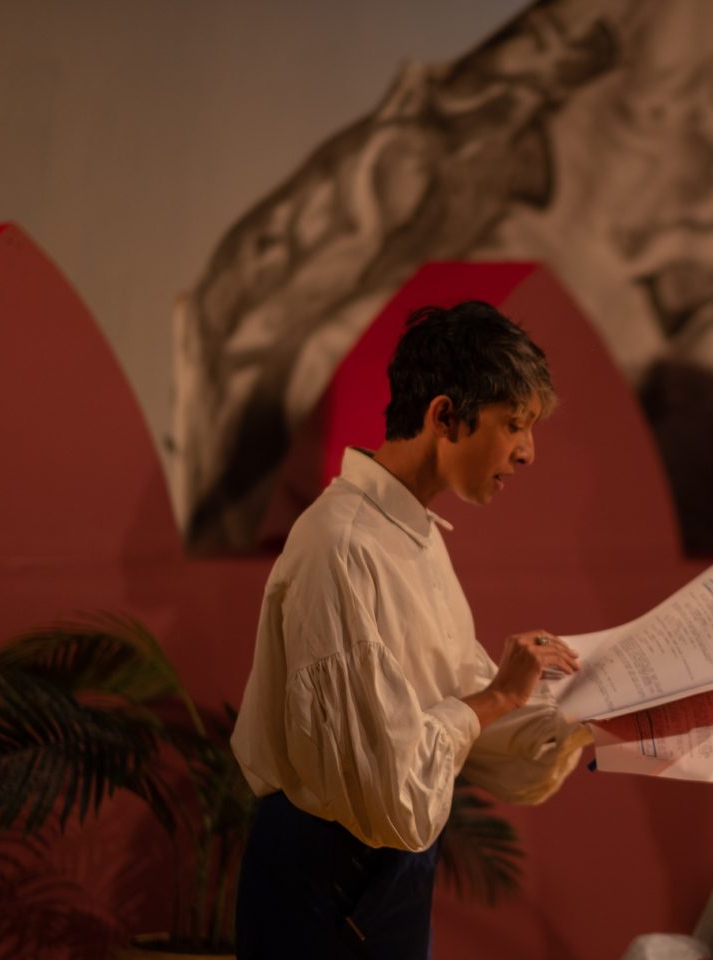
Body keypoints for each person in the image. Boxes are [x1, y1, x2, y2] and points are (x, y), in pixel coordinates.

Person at [230, 300, 591, 958]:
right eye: (514, 424)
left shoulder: (413, 538)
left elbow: (459, 730)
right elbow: (388, 790)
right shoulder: (342, 544)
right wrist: (496, 697)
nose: (528, 452)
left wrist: (595, 711)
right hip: (324, 893)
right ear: (444, 416)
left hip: (382, 884)